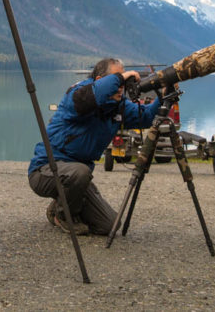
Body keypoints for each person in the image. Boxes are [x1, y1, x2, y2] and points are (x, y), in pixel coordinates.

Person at [28, 58, 162, 236]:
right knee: (80, 172)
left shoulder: (117, 107)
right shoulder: (78, 95)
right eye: (118, 79)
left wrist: (163, 95)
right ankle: (63, 216)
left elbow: (145, 117)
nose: (122, 85)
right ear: (100, 80)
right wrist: (120, 78)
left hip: (77, 177)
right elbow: (91, 96)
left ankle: (61, 204)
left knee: (109, 226)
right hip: (44, 171)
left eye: (124, 80)